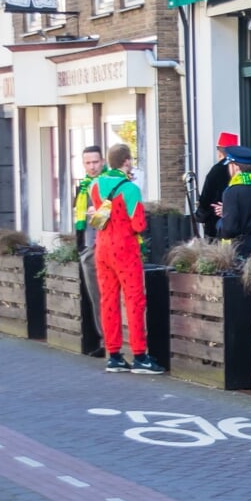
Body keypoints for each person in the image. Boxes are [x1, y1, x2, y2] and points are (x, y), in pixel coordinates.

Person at [88, 144, 164, 374]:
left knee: (108, 301)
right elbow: (139, 224)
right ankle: (140, 356)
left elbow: (97, 218)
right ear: (126, 161)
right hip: (125, 250)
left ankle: (114, 355)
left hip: (102, 248)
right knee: (134, 301)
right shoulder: (130, 189)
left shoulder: (95, 185)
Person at [71, 145, 105, 357]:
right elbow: (79, 218)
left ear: (103, 161)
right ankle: (104, 340)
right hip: (88, 247)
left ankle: (110, 342)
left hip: (101, 246)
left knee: (106, 296)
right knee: (96, 296)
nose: (92, 166)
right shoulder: (83, 187)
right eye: (88, 163)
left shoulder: (106, 184)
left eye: (95, 162)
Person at [216, 145, 251, 258]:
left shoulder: (231, 192)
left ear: (235, 167)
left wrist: (221, 221)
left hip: (239, 251)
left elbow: (229, 230)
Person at [195, 132, 237, 239]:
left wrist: (200, 213)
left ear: (220, 151)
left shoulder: (217, 170)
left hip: (215, 222)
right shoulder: (245, 168)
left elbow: (206, 197)